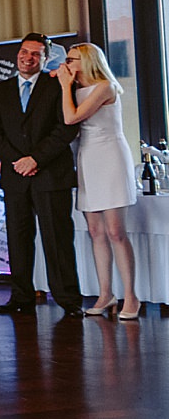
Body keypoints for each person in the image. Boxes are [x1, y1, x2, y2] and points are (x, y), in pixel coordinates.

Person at [0, 33, 82, 318]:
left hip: (50, 174)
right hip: (15, 175)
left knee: (57, 238)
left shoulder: (58, 86)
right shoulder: (0, 90)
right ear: (17, 54)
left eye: (36, 54)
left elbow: (66, 128)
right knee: (18, 238)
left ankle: (68, 299)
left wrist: (35, 159)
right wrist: (17, 161)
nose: (29, 58)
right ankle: (21, 296)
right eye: (25, 52)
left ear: (45, 57)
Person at [58, 42, 140, 319]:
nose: (66, 64)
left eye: (71, 59)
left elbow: (72, 117)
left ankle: (131, 295)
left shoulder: (105, 86)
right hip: (88, 156)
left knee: (116, 231)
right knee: (95, 231)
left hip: (110, 156)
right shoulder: (74, 89)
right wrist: (66, 86)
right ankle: (106, 293)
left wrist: (62, 86)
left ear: (87, 61)